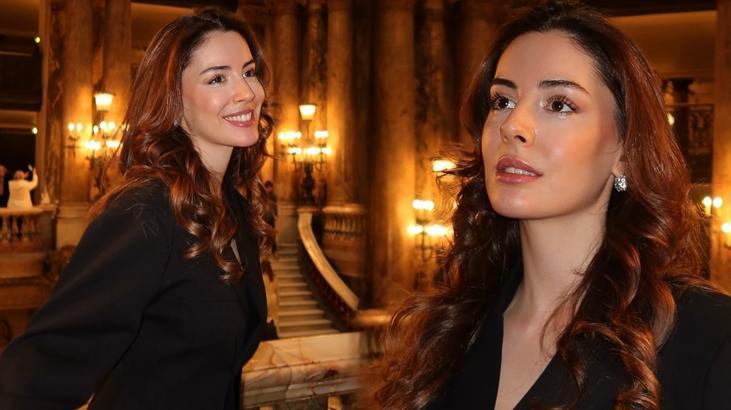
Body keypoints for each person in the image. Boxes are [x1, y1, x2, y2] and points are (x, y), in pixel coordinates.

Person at [375, 1, 731, 409]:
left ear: (624, 151)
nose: (513, 125)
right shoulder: (450, 329)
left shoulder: (707, 336)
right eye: (502, 101)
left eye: (559, 104)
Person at [0, 8, 274, 410]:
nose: (247, 92)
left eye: (249, 72)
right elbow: (35, 375)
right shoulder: (146, 211)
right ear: (174, 102)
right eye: (217, 78)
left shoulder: (232, 207)